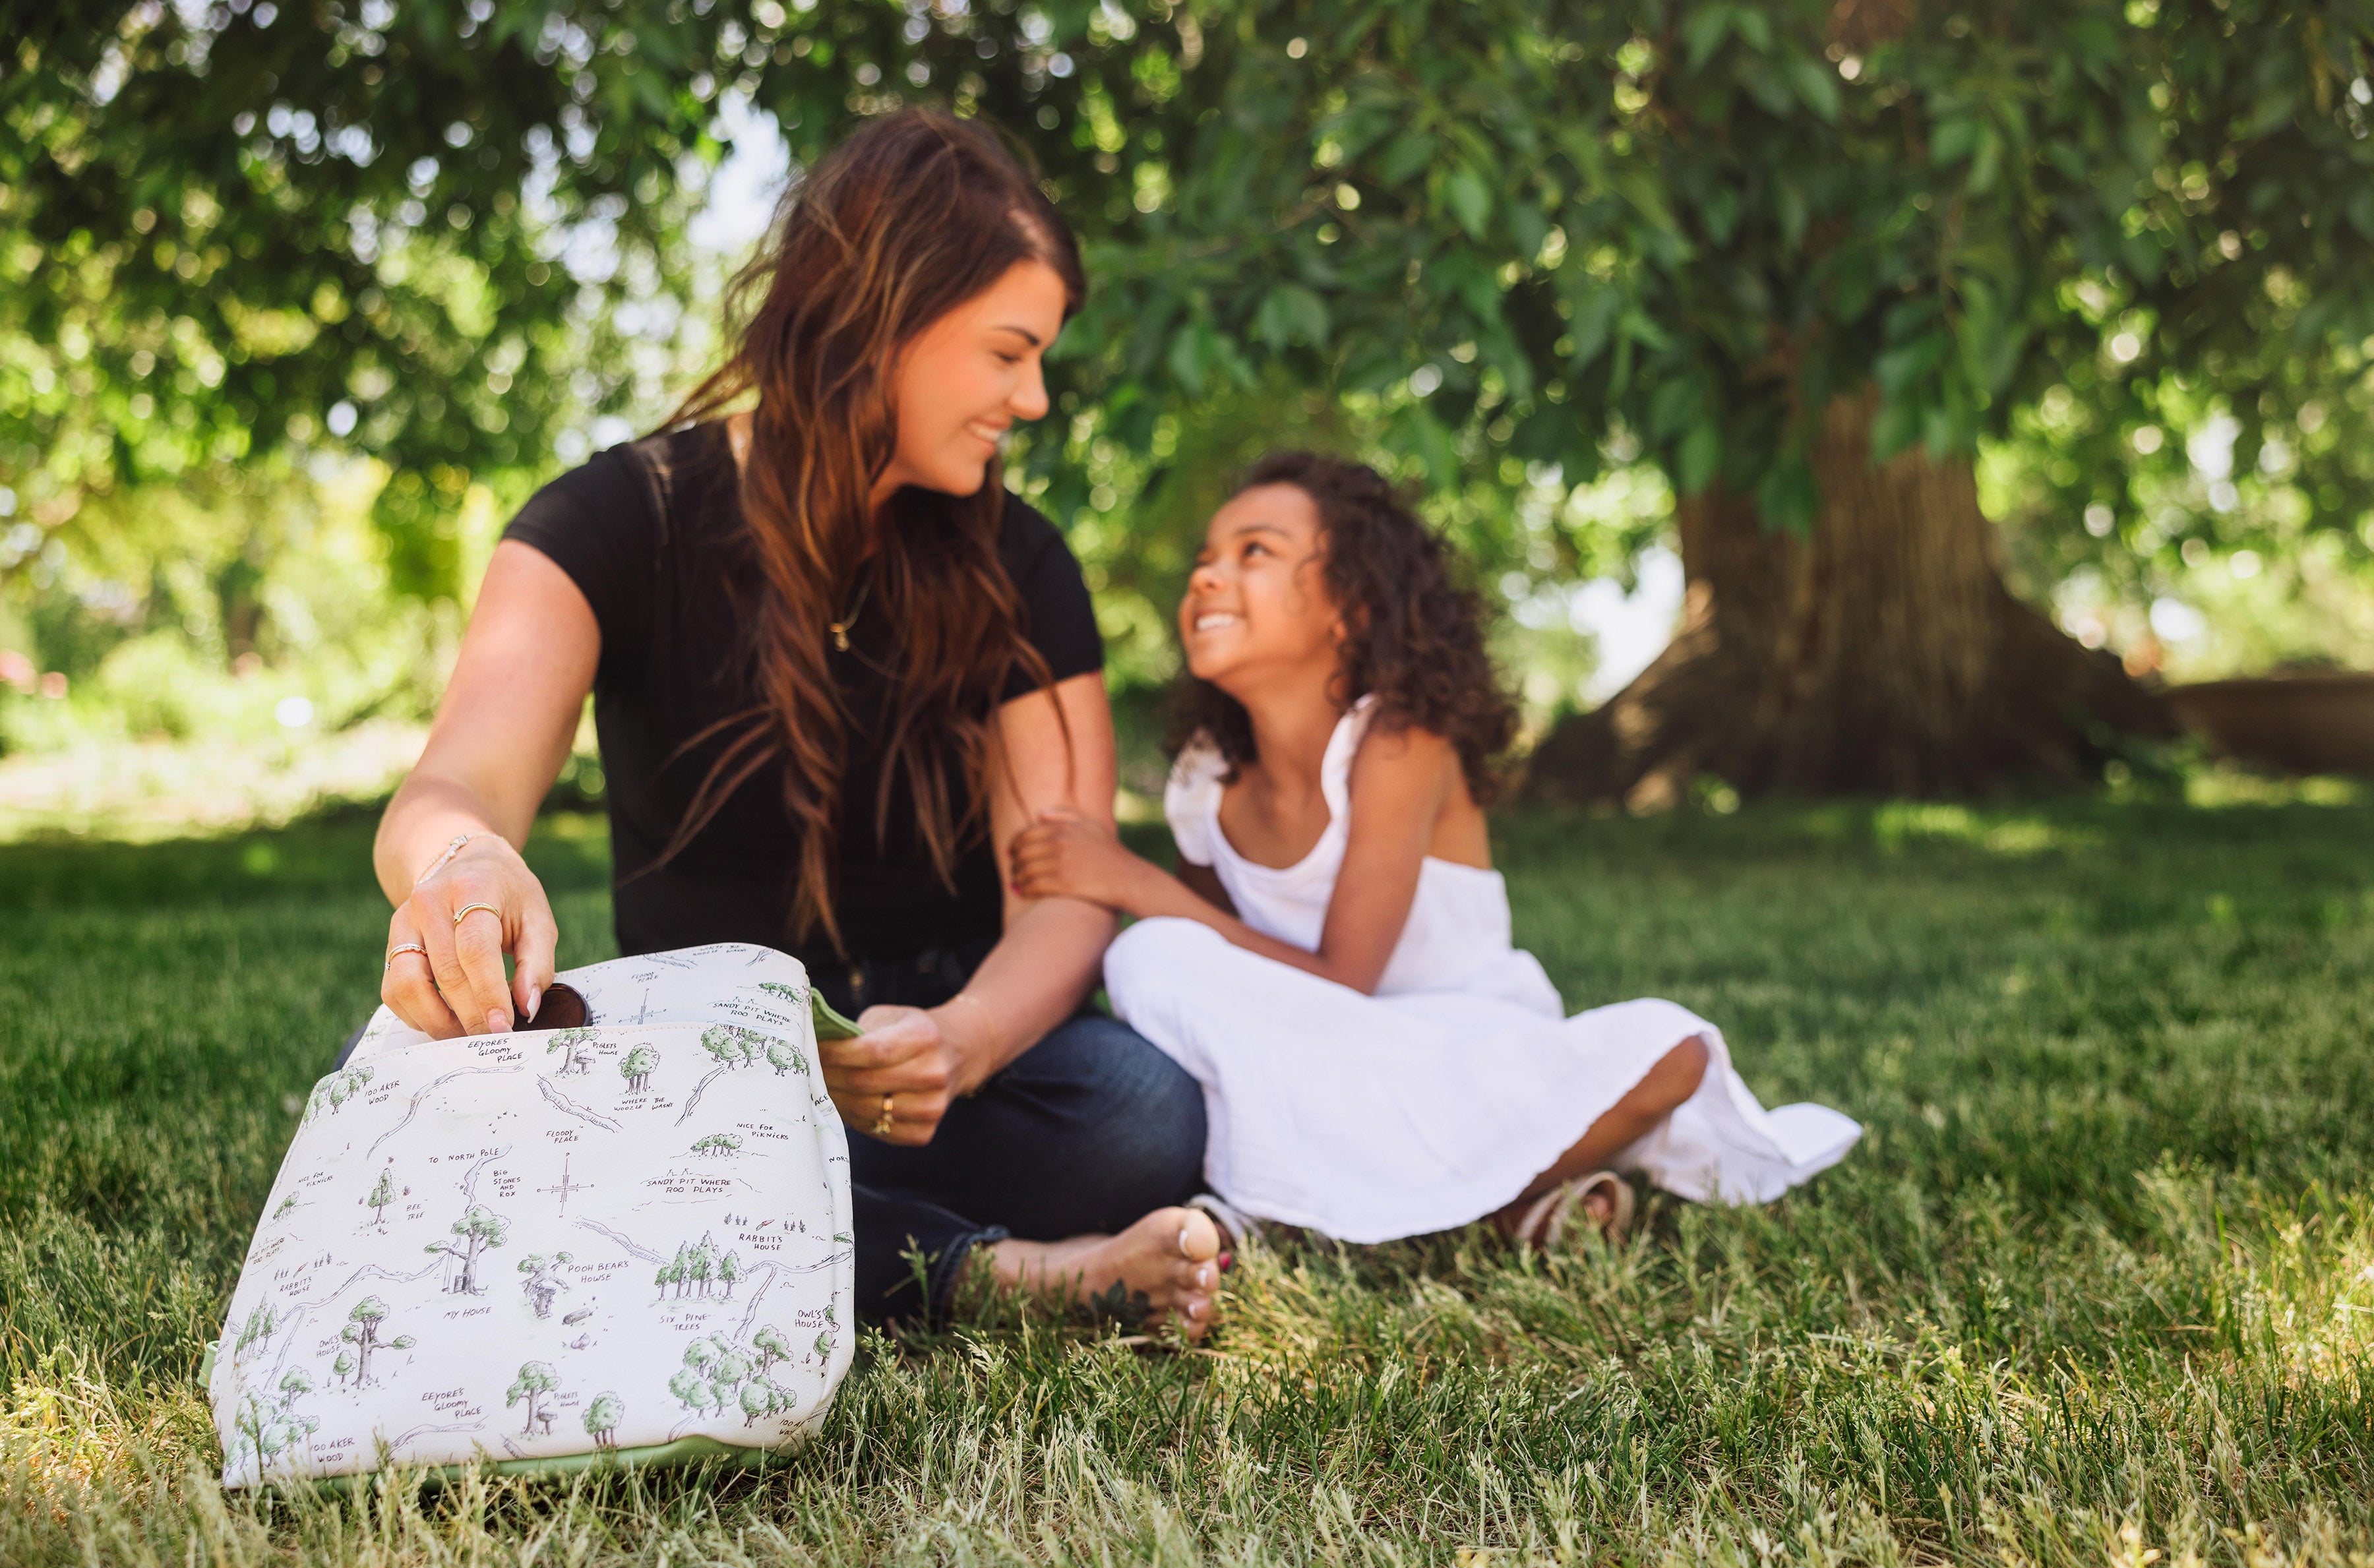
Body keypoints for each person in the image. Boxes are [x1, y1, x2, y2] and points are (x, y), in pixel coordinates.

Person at [368, 110, 1220, 1335]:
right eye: (1008, 351)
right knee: (602, 1138)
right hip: (708, 1048)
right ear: (885, 320)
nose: (1030, 399)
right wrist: (465, 867)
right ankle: (999, 1273)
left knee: (1140, 1111)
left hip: (937, 1040)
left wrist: (964, 1041)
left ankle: (802, 1232)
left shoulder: (1020, 563)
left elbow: (1065, 891)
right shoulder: (615, 519)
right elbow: (458, 787)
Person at [1008, 453, 1862, 1247]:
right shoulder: (1205, 781)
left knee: (1673, 1048)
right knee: (1154, 958)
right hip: (1330, 1068)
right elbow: (1227, 986)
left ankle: (1411, 1200)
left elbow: (1347, 980)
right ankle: (1484, 1201)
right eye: (1206, 555)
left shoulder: (1398, 740)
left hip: (1459, 1048)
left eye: (1254, 552)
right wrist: (1150, 910)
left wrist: (1131, 879)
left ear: (1355, 604)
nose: (1207, 574)